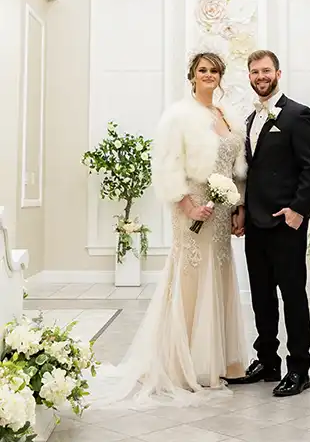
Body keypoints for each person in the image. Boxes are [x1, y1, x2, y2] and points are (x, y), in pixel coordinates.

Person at [87, 52, 248, 409]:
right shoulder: (179, 116)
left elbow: (238, 167)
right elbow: (167, 165)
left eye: (214, 70)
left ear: (221, 76)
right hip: (194, 208)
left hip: (222, 210)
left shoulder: (227, 115)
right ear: (192, 76)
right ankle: (184, 361)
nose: (209, 75)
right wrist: (188, 205)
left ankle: (218, 361)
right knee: (191, 276)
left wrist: (239, 205)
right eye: (202, 70)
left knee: (219, 272)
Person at [226, 50, 310, 397]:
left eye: (266, 70)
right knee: (261, 296)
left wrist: (298, 210)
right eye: (255, 72)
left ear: (278, 74)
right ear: (249, 77)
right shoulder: (249, 119)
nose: (260, 76)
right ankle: (267, 361)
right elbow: (250, 172)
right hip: (256, 223)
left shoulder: (298, 114)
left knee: (293, 296)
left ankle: (299, 369)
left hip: (286, 223)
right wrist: (240, 209)